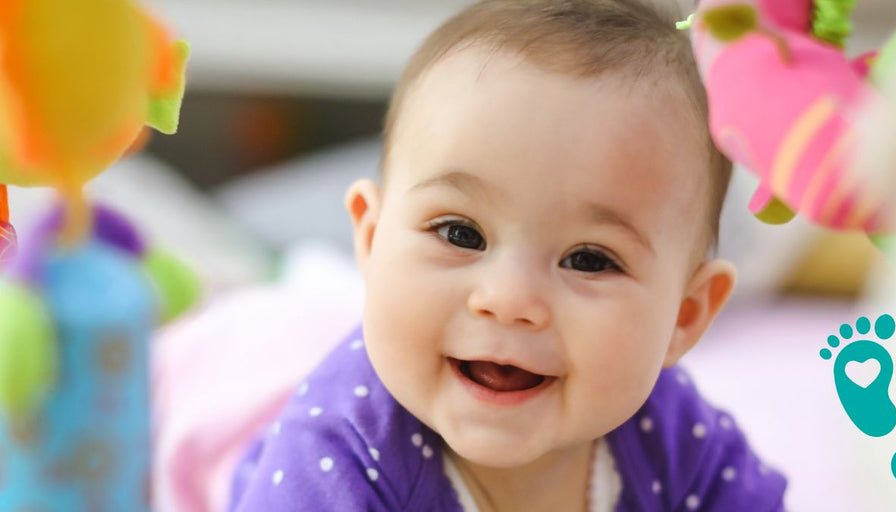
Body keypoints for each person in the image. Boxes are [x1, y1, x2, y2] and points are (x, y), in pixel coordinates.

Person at [230, 1, 786, 510]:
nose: (510, 299)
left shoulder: (670, 436)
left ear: (684, 317)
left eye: (590, 259)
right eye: (460, 233)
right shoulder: (336, 457)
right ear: (373, 240)